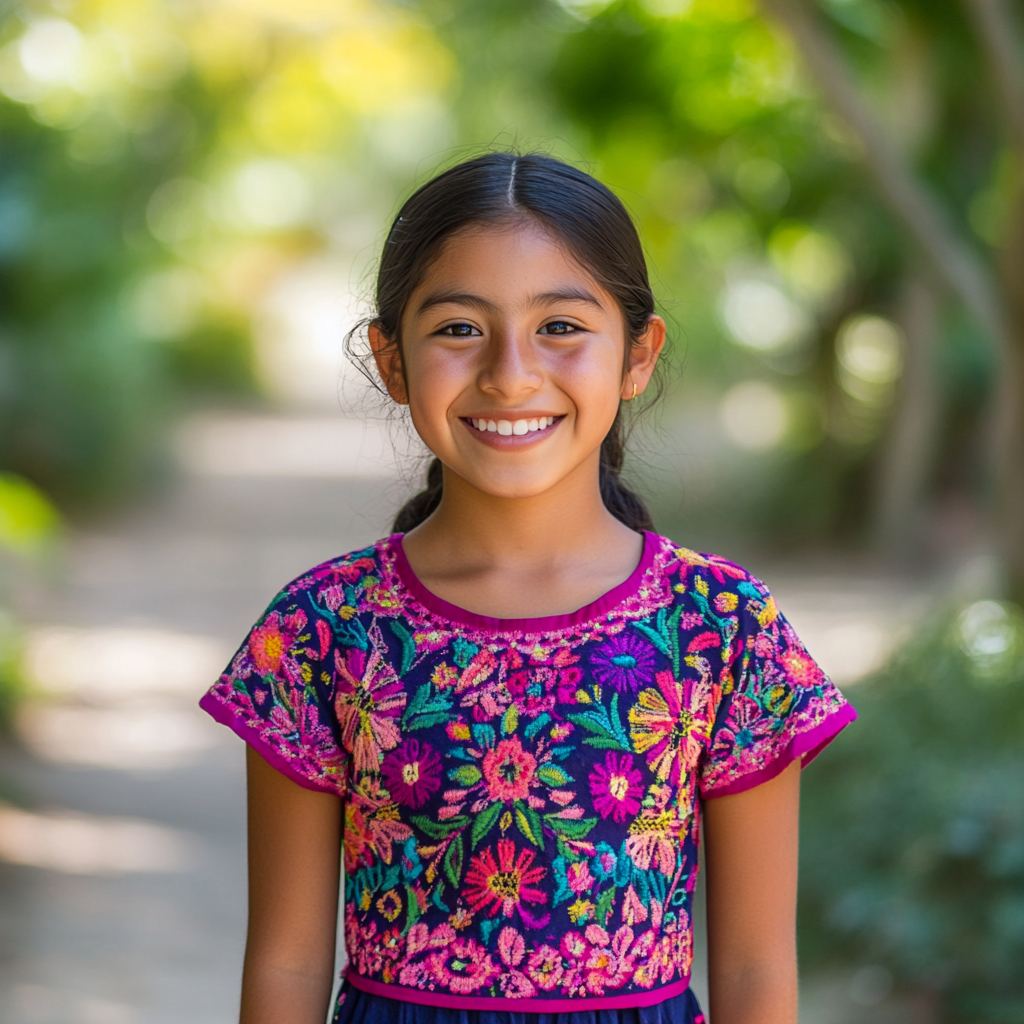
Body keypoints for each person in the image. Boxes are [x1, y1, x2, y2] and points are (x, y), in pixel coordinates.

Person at [200, 152, 856, 1024]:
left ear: (638, 356)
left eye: (561, 327)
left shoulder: (722, 627)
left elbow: (756, 972)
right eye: (461, 329)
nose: (511, 373)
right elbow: (284, 967)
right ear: (391, 361)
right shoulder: (324, 628)